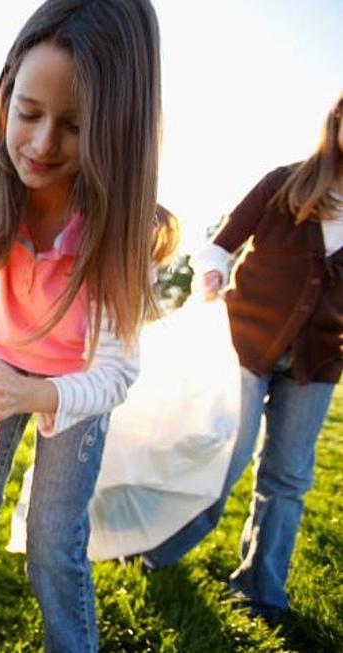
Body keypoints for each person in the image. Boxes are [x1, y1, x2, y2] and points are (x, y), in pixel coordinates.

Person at [0, 1, 163, 650]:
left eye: (73, 126)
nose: (42, 145)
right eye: (29, 114)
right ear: (6, 95)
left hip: (72, 390)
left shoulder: (121, 224)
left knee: (51, 544)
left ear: (114, 129)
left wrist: (41, 395)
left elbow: (116, 370)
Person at [139, 93, 343, 624]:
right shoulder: (285, 183)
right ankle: (156, 549)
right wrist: (211, 271)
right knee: (225, 459)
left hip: (316, 363)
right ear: (337, 123)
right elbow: (220, 243)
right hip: (247, 343)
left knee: (288, 479)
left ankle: (261, 590)